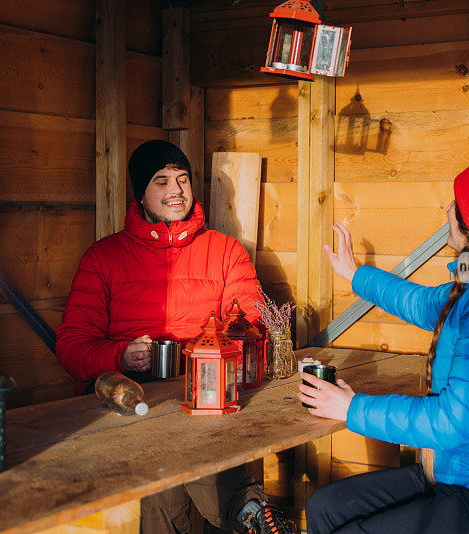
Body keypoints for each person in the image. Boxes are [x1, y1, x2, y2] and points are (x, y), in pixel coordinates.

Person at [298, 159, 469, 534]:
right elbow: (425, 304)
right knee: (326, 507)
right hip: (466, 473)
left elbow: (453, 419)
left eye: (454, 204)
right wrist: (355, 274)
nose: (446, 209)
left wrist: (352, 407)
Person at [56, 140, 295, 534]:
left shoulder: (225, 252)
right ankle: (248, 510)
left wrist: (211, 355)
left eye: (182, 179)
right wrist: (121, 356)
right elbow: (71, 347)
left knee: (171, 452)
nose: (176, 190)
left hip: (204, 390)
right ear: (141, 193)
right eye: (161, 180)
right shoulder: (103, 258)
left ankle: (248, 511)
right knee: (166, 434)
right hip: (131, 393)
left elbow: (252, 325)